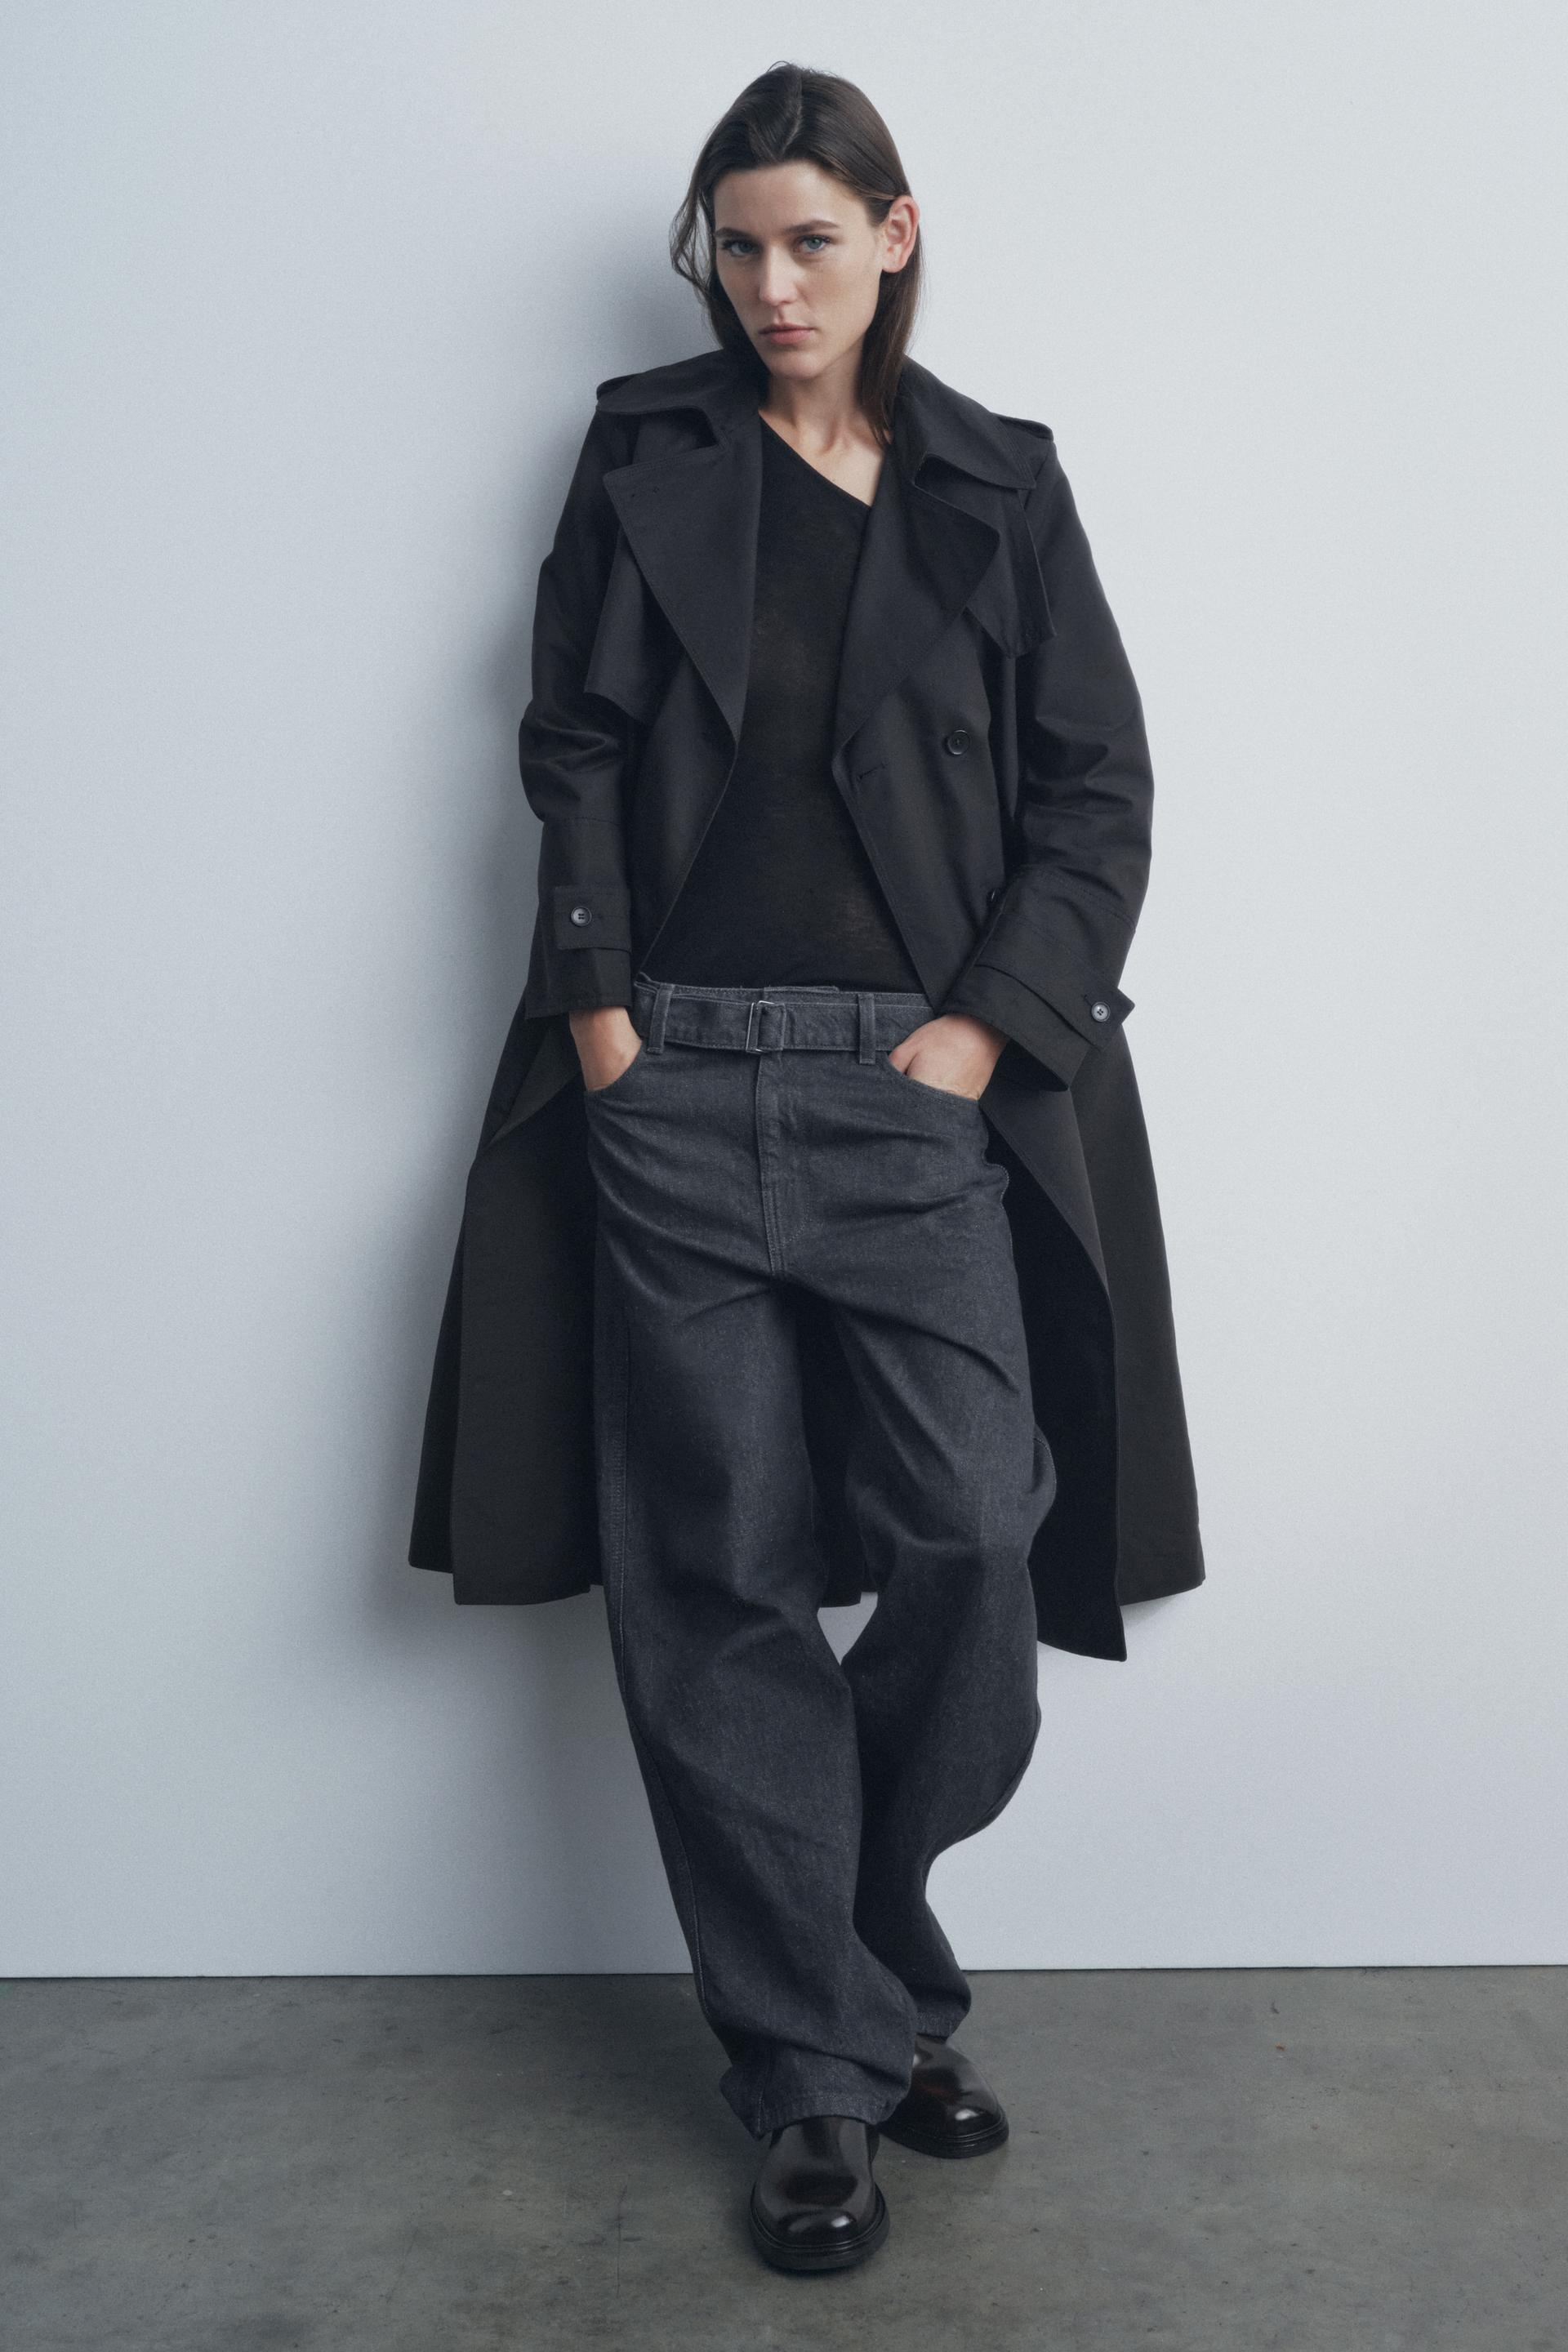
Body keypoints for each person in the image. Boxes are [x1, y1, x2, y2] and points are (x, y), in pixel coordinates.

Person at [408, 62, 1205, 2276]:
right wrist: (602, 1015)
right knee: (717, 1576)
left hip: (913, 1093)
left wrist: (982, 1034)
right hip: (670, 1083)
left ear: (897, 237)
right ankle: (822, 2081)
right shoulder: (641, 450)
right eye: (738, 247)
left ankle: (852, 1970)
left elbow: (1100, 793)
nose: (771, 287)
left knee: (972, 1535)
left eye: (812, 243)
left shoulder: (999, 483)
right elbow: (570, 741)